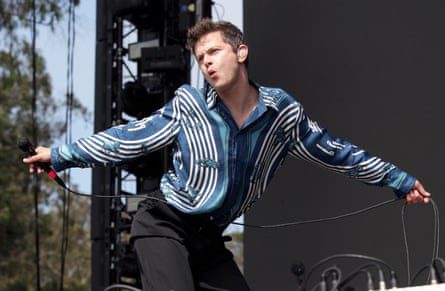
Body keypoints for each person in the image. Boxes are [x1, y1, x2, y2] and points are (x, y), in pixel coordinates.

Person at [23, 19, 430, 291]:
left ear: (241, 53)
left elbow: (336, 152)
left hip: (209, 241)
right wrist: (59, 155)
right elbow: (128, 138)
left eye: (214, 52)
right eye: (201, 58)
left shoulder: (282, 114)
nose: (207, 63)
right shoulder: (189, 105)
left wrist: (399, 180)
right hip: (163, 225)